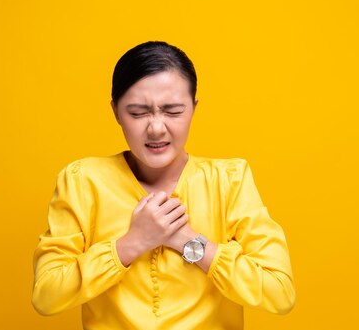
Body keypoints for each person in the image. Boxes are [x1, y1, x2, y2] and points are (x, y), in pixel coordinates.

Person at [32, 41, 295, 329]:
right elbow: (46, 297)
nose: (156, 128)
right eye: (137, 112)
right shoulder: (82, 181)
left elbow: (279, 293)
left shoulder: (229, 180)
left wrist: (189, 242)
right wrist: (131, 244)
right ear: (116, 112)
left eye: (172, 111)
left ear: (193, 108)